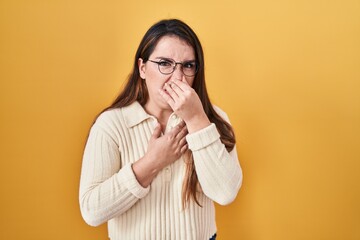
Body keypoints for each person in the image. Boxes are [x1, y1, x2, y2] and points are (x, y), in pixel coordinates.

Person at [79, 18, 243, 240]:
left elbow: (225, 193)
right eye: (165, 63)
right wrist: (152, 163)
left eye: (188, 65)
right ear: (142, 68)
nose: (178, 77)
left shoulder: (213, 118)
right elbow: (91, 211)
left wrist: (196, 119)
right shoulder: (111, 125)